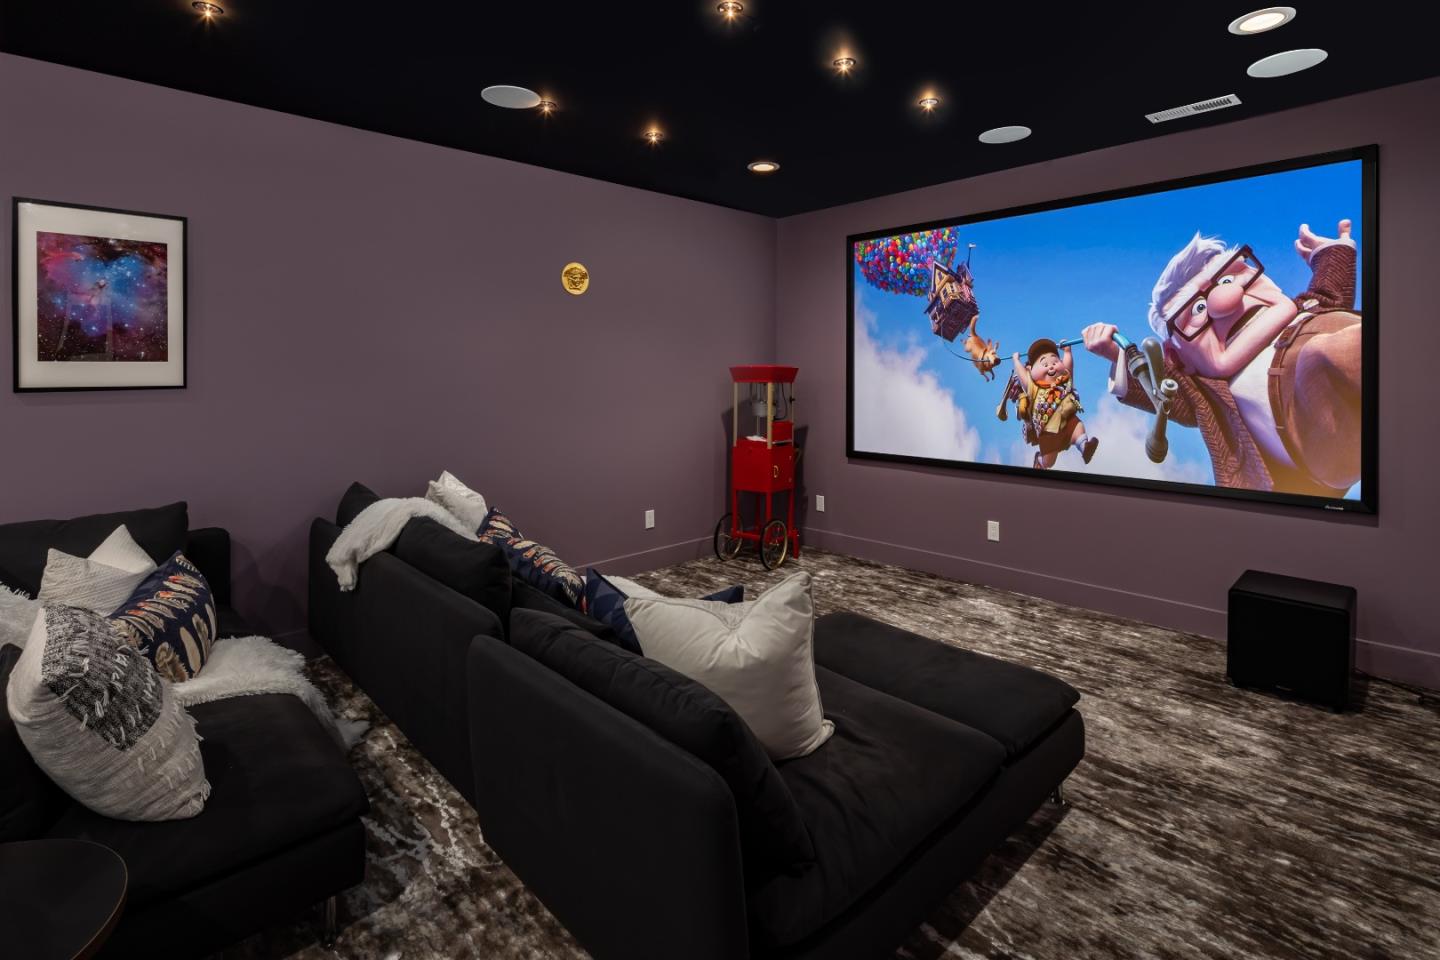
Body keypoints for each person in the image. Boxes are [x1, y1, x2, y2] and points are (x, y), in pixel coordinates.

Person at [1081, 219, 1361, 495]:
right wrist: (1116, 353)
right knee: (1321, 357)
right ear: (1178, 358)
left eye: (1228, 279)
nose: (1227, 299)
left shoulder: (1306, 309)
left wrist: (1330, 252)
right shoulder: (1207, 391)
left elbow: (1328, 295)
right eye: (1198, 309)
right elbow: (1157, 385)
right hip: (1319, 440)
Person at [1010, 338, 1099, 469]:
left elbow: (1069, 367)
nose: (1051, 366)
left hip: (1067, 421)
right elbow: (1023, 377)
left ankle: (1085, 447)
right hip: (1048, 430)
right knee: (1050, 461)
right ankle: (1040, 461)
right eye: (1044, 365)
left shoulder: (1064, 381)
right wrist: (1016, 361)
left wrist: (1067, 352)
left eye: (1055, 361)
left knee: (1078, 427)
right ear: (1032, 371)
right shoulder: (1035, 388)